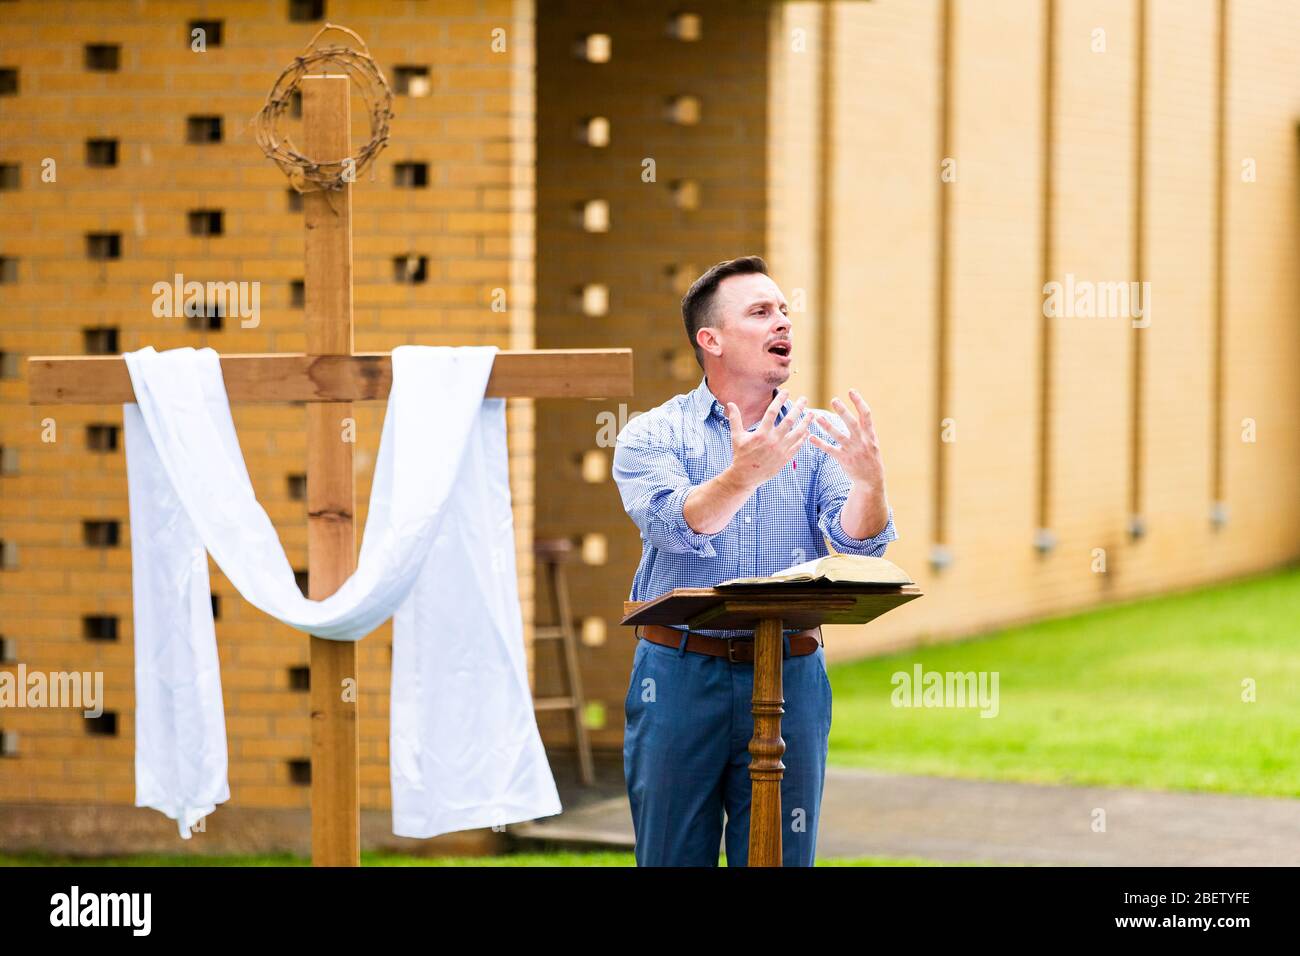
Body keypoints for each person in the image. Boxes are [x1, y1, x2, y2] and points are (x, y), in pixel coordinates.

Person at [612, 254, 898, 866]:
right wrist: (742, 477)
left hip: (791, 675)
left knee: (782, 857)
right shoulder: (651, 434)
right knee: (669, 858)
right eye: (761, 312)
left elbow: (859, 547)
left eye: (785, 311)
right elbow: (675, 525)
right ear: (709, 339)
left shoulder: (819, 434)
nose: (783, 324)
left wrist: (870, 485)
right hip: (680, 673)